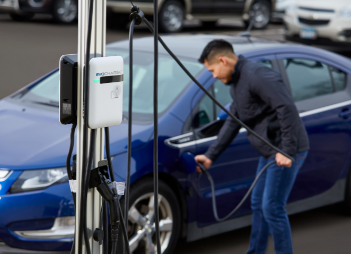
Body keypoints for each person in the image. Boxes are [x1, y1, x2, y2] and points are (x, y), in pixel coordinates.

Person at [195, 39, 309, 254]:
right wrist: (211, 155)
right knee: (258, 204)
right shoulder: (237, 85)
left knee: (272, 207)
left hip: (286, 150)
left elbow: (287, 109)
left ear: (223, 60)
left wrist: (286, 150)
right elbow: (232, 121)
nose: (214, 76)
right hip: (269, 152)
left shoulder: (258, 75)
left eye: (212, 70)